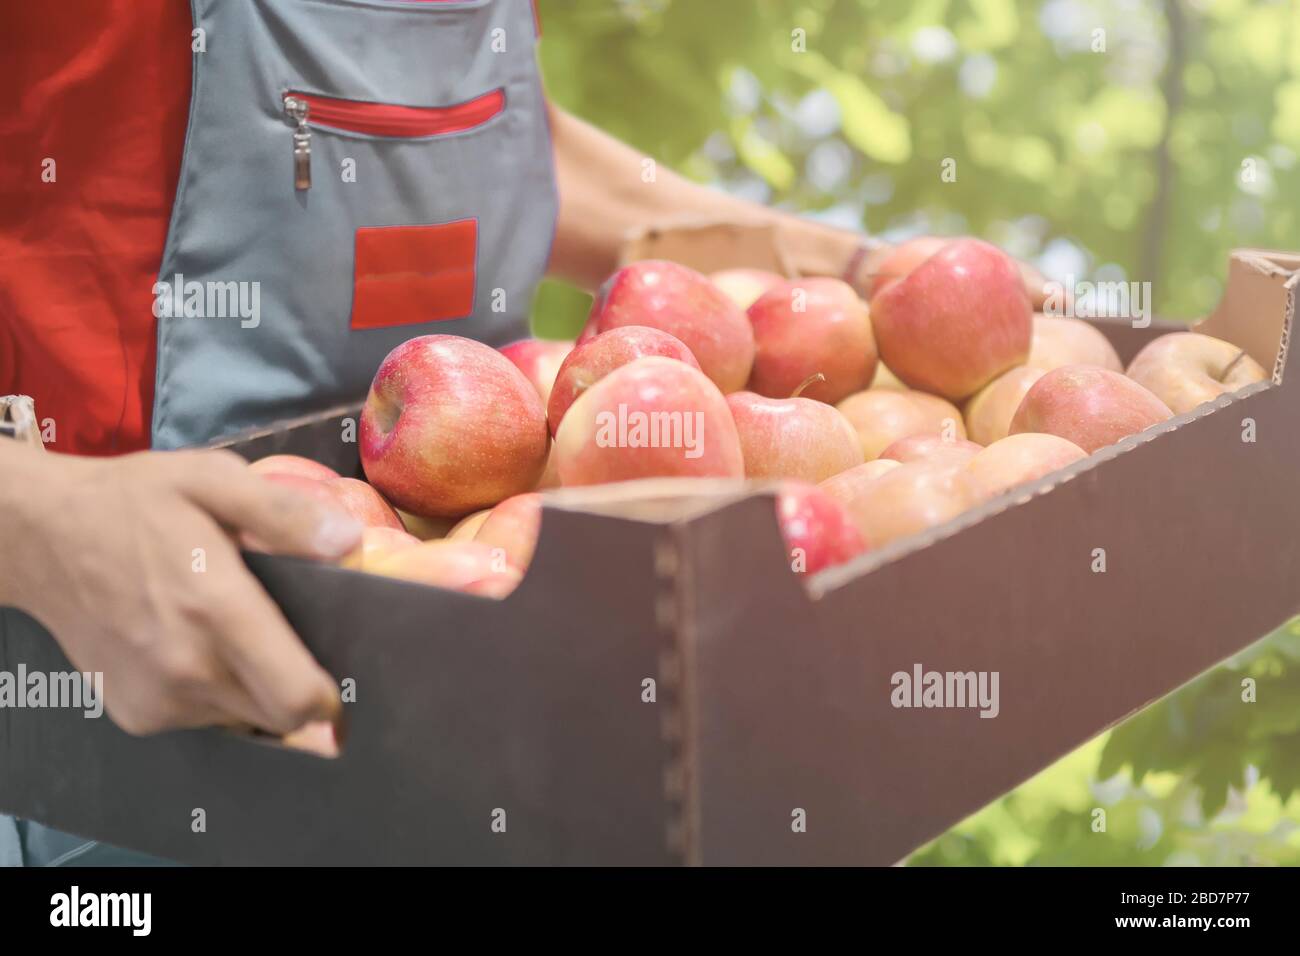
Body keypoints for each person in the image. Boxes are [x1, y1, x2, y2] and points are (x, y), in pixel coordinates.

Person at [0, 1, 1039, 866]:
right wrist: (40, 521)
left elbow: (460, 120)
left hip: (492, 665)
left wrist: (835, 267)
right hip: (122, 718)